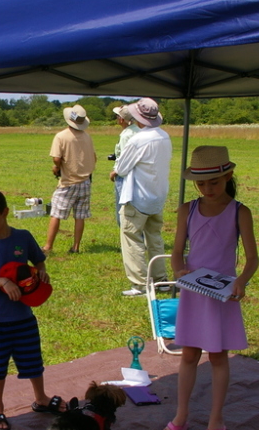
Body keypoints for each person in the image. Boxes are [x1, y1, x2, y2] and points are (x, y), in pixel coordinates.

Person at [161, 145, 259, 430]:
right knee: (188, 354)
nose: (207, 189)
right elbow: (177, 252)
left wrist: (241, 281)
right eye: (200, 184)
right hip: (193, 292)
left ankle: (216, 418)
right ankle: (181, 414)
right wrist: (179, 271)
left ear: (228, 176)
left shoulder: (240, 212)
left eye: (214, 183)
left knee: (218, 356)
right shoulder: (186, 210)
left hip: (222, 295)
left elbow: (253, 258)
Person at [0, 186, 66, 430]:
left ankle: (41, 398)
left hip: (23, 315)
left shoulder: (22, 238)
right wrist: (2, 281)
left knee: (32, 359)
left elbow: (40, 261)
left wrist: (42, 274)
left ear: (5, 212)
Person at [110, 98, 172, 296]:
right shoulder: (164, 136)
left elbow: (121, 167)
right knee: (155, 237)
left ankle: (140, 284)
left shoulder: (138, 140)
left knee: (131, 238)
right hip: (158, 195)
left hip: (138, 197)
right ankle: (160, 279)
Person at [43, 105, 96, 254]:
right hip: (85, 181)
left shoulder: (61, 136)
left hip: (68, 183)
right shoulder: (87, 136)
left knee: (56, 213)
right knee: (79, 216)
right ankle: (76, 247)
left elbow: (56, 158)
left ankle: (48, 246)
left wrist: (57, 168)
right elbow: (94, 157)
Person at [109, 104, 140, 226]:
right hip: (137, 174)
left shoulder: (126, 135)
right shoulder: (138, 131)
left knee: (122, 211)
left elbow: (125, 158)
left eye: (117, 116)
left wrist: (115, 172)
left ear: (122, 119)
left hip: (124, 176)